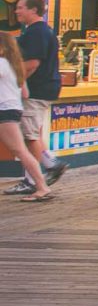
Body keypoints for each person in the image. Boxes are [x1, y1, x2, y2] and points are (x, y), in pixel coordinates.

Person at [12, 0, 67, 192]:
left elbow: (32, 64)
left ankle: (34, 179)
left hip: (36, 89)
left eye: (20, 8)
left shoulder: (36, 33)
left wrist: (17, 82)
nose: (17, 11)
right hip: (45, 88)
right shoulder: (42, 31)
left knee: (30, 135)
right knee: (32, 132)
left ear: (33, 10)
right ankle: (50, 163)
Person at [0, 32, 51, 201]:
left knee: (20, 151)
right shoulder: (14, 66)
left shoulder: (1, 64)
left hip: (4, 112)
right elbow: (26, 93)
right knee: (20, 150)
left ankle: (42, 187)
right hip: (12, 109)